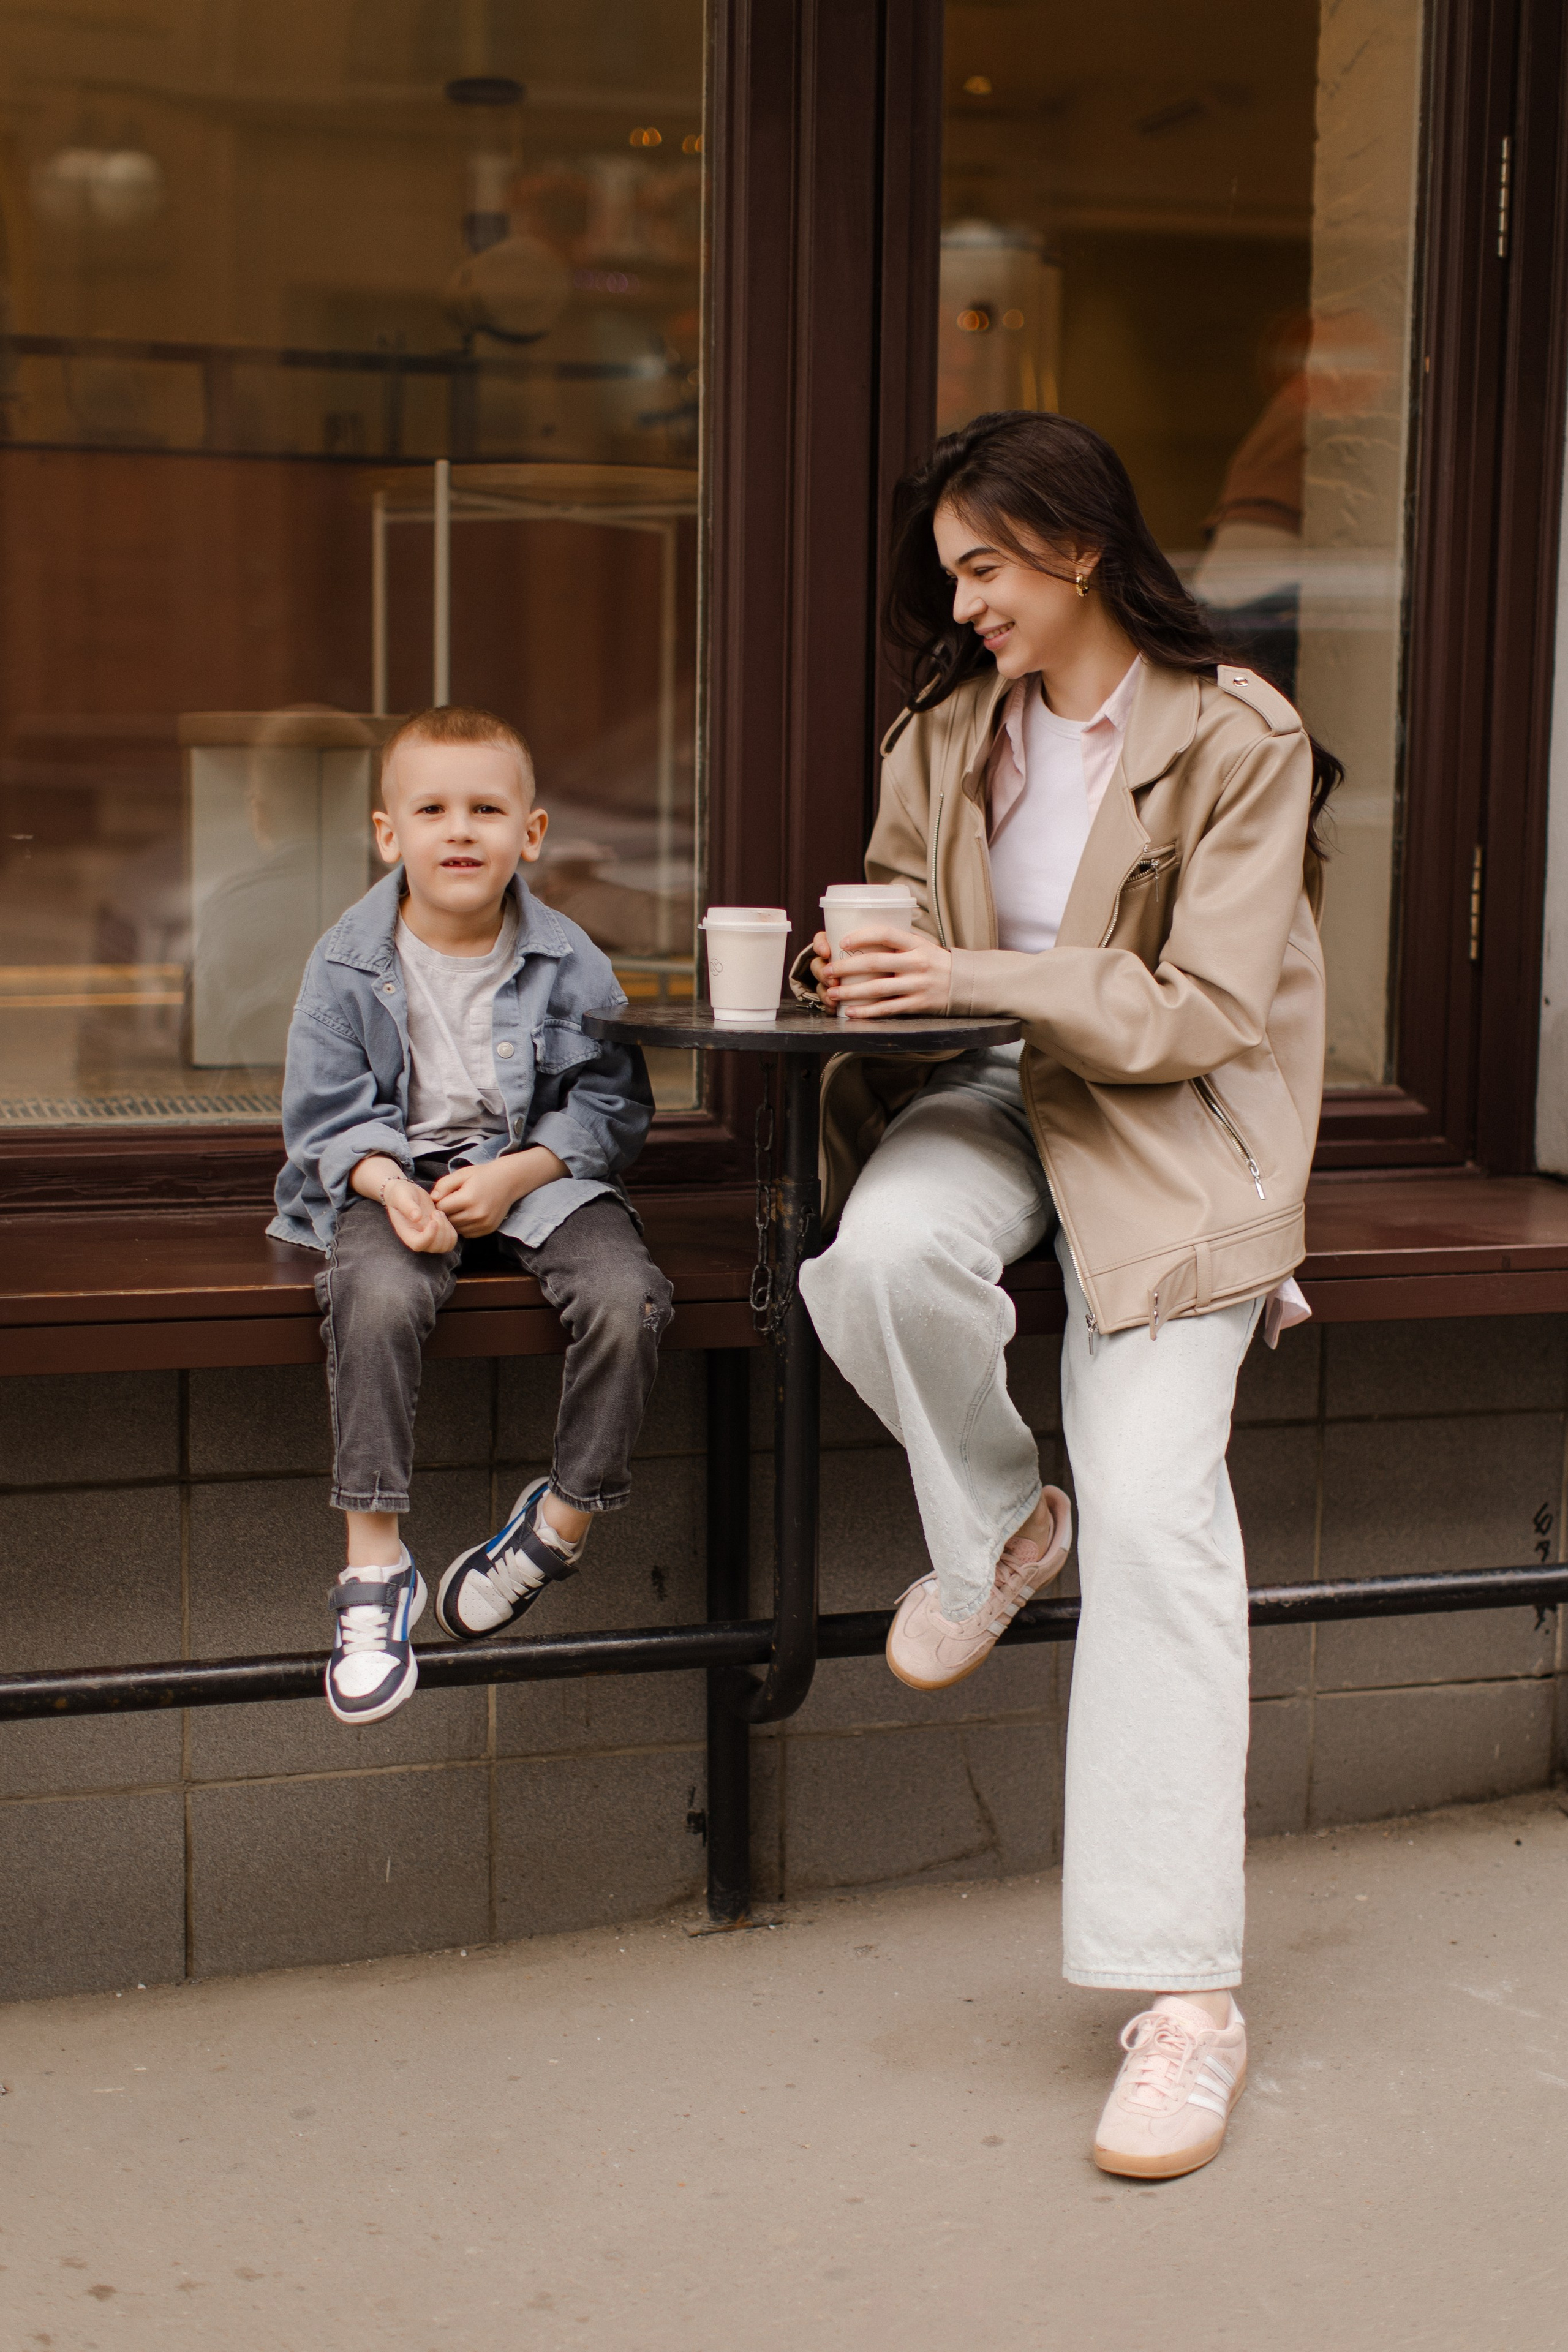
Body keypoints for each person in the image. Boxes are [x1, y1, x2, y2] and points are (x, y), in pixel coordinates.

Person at [795, 410, 1338, 2180]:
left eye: (986, 567)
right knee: (876, 1258)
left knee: (1164, 1521)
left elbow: (1202, 1011)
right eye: (948, 573)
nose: (962, 606)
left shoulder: (1239, 735)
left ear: (1079, 546)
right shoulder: (947, 728)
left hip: (1177, 1135)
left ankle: (1186, 2006)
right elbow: (913, 943)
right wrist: (865, 967)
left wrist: (959, 961)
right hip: (997, 1097)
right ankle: (995, 1528)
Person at [268, 703, 672, 1727]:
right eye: (433, 809)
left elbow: (612, 1103)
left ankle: (561, 1524)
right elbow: (325, 1116)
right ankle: (374, 1564)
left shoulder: (568, 956)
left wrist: (518, 1174)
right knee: (371, 1294)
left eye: (486, 809)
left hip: (532, 1172)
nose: (460, 831)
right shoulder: (347, 960)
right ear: (387, 833)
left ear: (529, 834)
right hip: (393, 1180)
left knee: (629, 1296)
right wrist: (392, 1187)